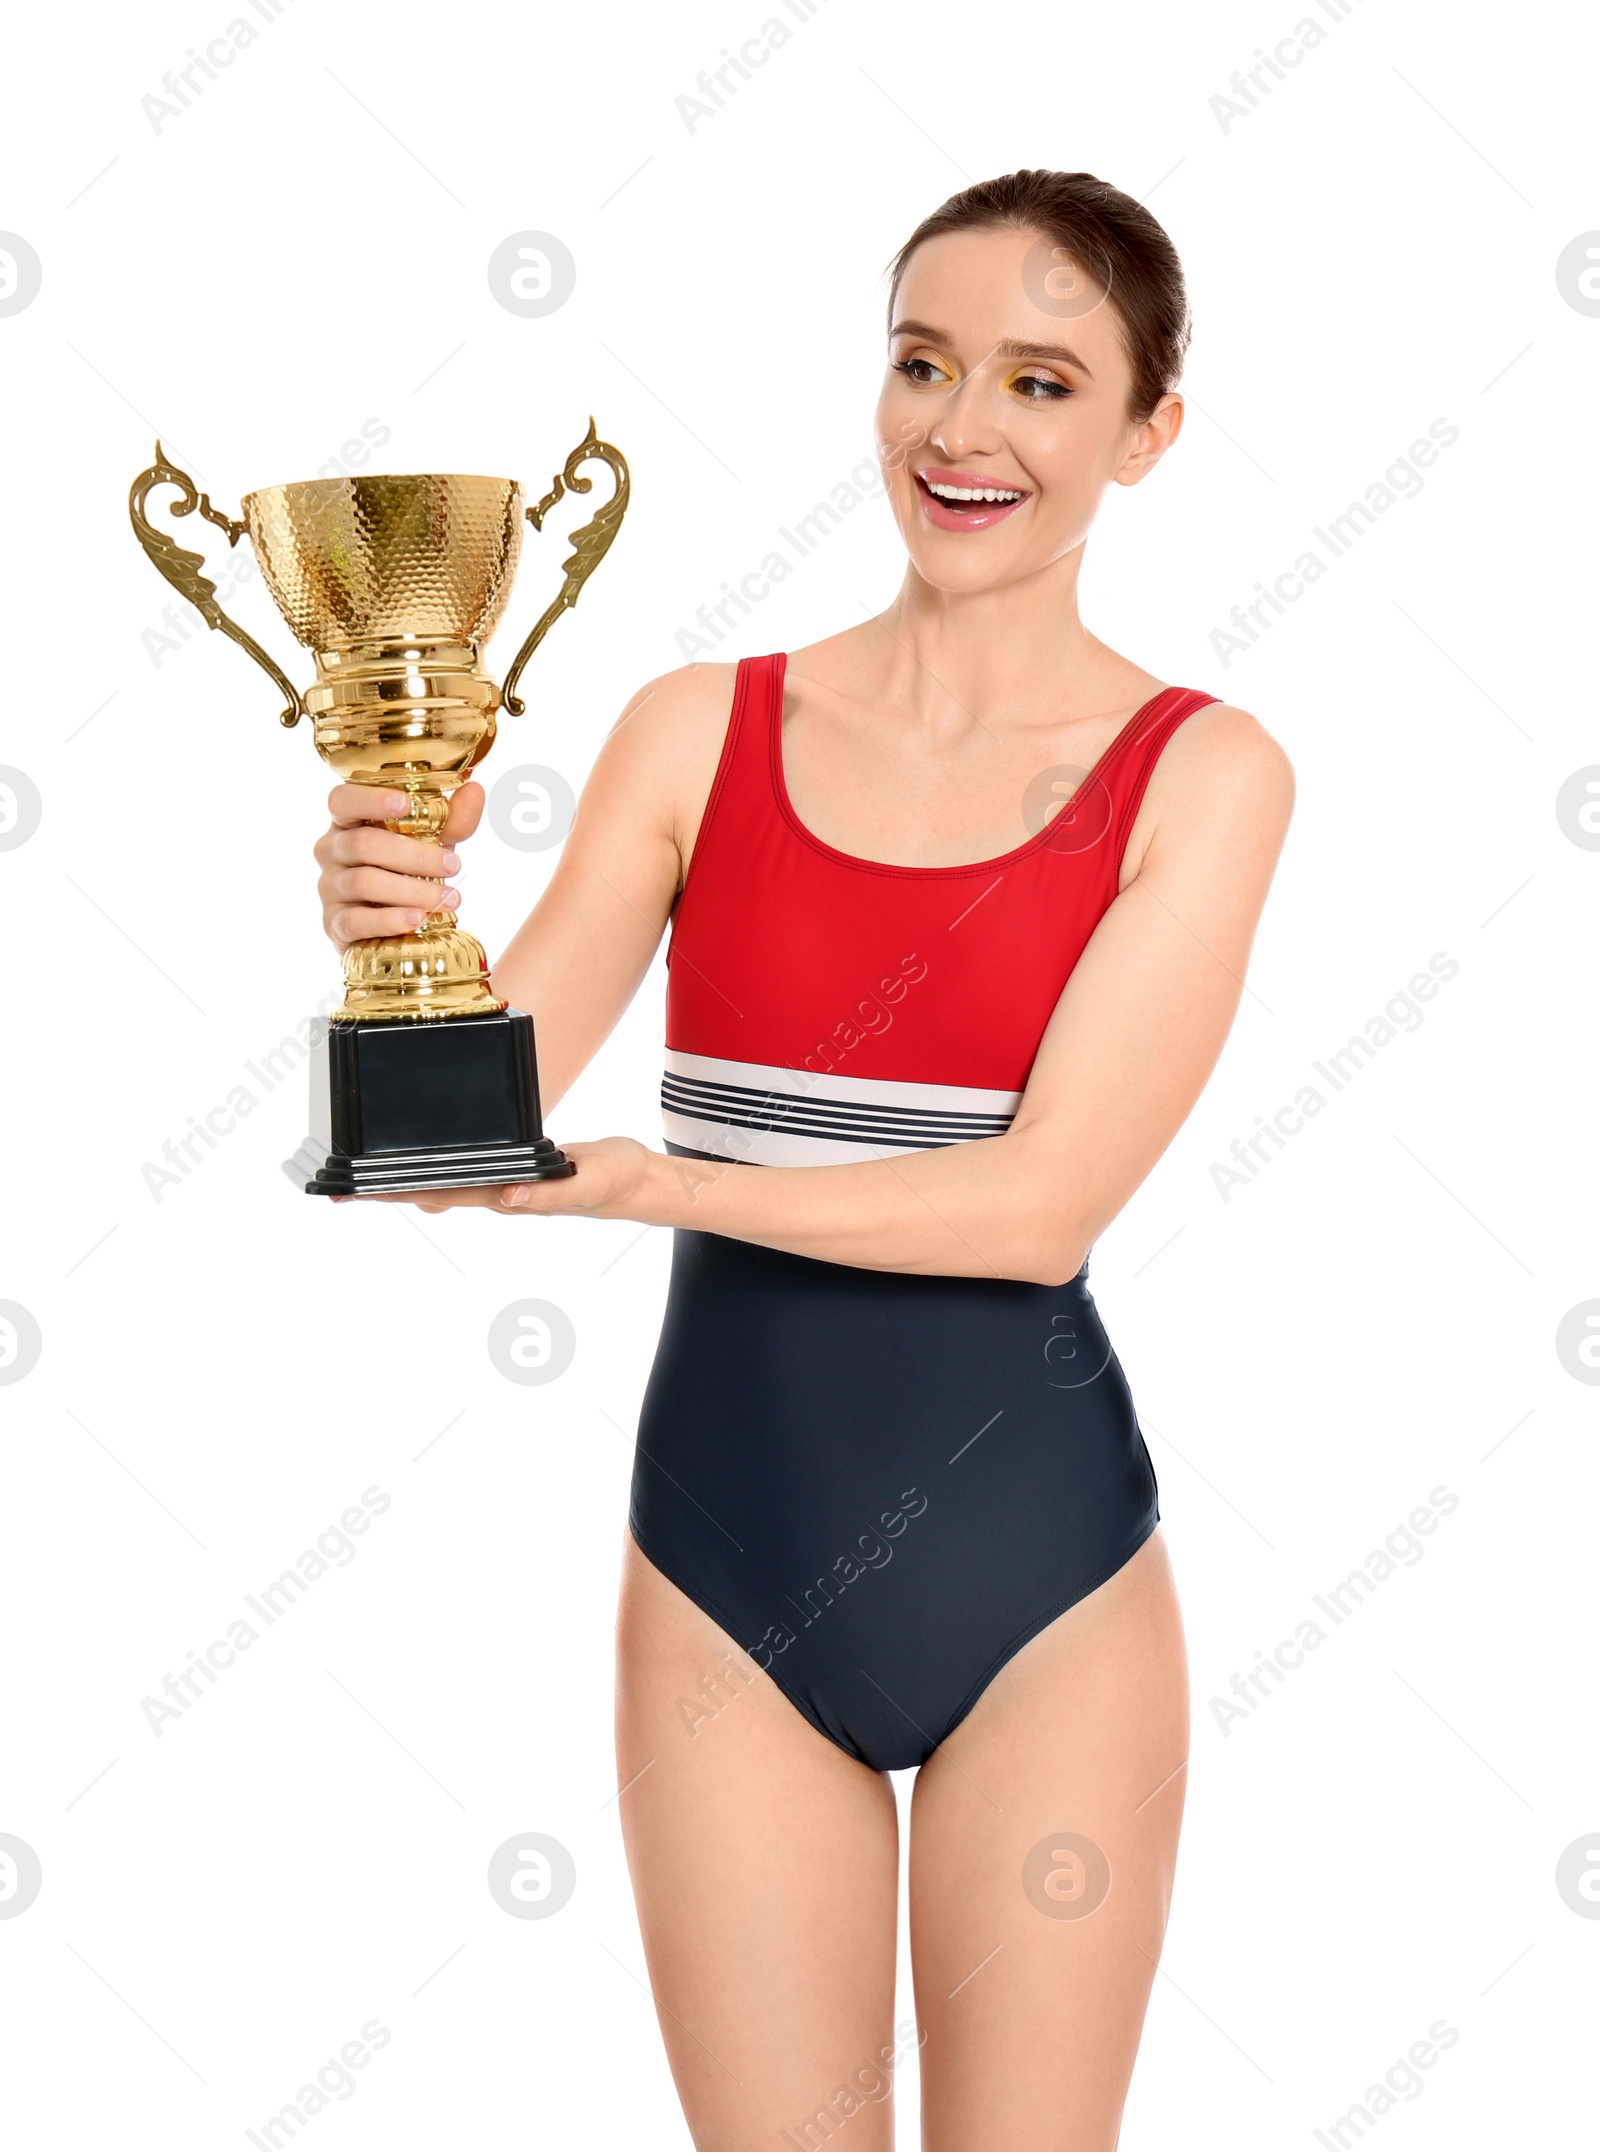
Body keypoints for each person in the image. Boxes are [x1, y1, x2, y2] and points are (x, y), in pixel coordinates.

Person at [314, 169, 1294, 2150]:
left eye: (1038, 380)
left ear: (1144, 432)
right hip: (722, 1580)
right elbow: (449, 1146)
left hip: (1043, 1589)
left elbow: (1036, 1207)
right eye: (922, 362)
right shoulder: (694, 731)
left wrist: (668, 1183)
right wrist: (384, 934)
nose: (961, 427)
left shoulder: (1200, 769)